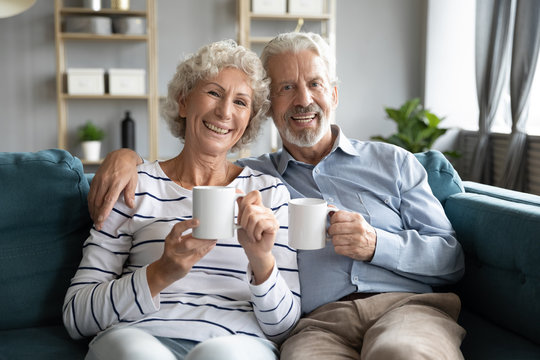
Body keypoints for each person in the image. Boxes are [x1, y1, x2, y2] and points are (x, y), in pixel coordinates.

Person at [88, 32, 466, 359]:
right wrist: (126, 158)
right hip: (319, 324)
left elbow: (451, 259)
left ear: (333, 94)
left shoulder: (393, 162)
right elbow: (204, 156)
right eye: (286, 87)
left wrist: (375, 243)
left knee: (399, 354)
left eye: (315, 84)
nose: (303, 100)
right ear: (268, 109)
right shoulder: (260, 180)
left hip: (406, 307)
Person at [63, 40, 300, 360]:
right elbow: (76, 316)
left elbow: (283, 328)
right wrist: (159, 273)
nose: (225, 111)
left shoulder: (269, 195)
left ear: (248, 123)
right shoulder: (134, 185)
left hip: (235, 344)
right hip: (139, 336)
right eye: (214, 92)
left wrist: (261, 260)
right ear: (184, 101)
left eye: (241, 102)